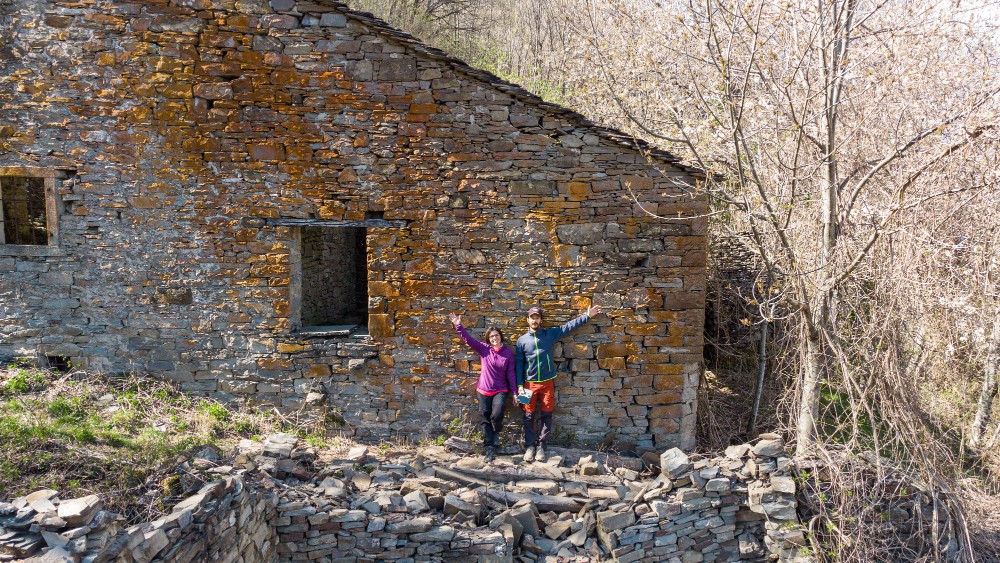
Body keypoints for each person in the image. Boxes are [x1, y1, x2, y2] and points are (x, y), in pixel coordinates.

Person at [516, 304, 602, 463]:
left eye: (537, 317)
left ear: (541, 320)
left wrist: (587, 316)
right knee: (527, 415)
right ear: (527, 320)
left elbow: (568, 327)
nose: (534, 320)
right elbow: (519, 364)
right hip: (528, 384)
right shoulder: (521, 341)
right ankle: (529, 446)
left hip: (547, 382)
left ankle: (542, 446)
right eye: (532, 317)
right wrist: (519, 385)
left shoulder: (549, 334)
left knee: (547, 414)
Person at [449, 312, 517, 463]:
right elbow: (469, 340)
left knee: (496, 415)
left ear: (500, 336)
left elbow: (511, 374)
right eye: (492, 336)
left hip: (500, 390)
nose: (494, 338)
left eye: (496, 335)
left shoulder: (508, 354)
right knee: (484, 418)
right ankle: (489, 447)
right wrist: (458, 325)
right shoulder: (484, 349)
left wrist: (515, 393)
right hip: (483, 390)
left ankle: (495, 433)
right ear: (489, 339)